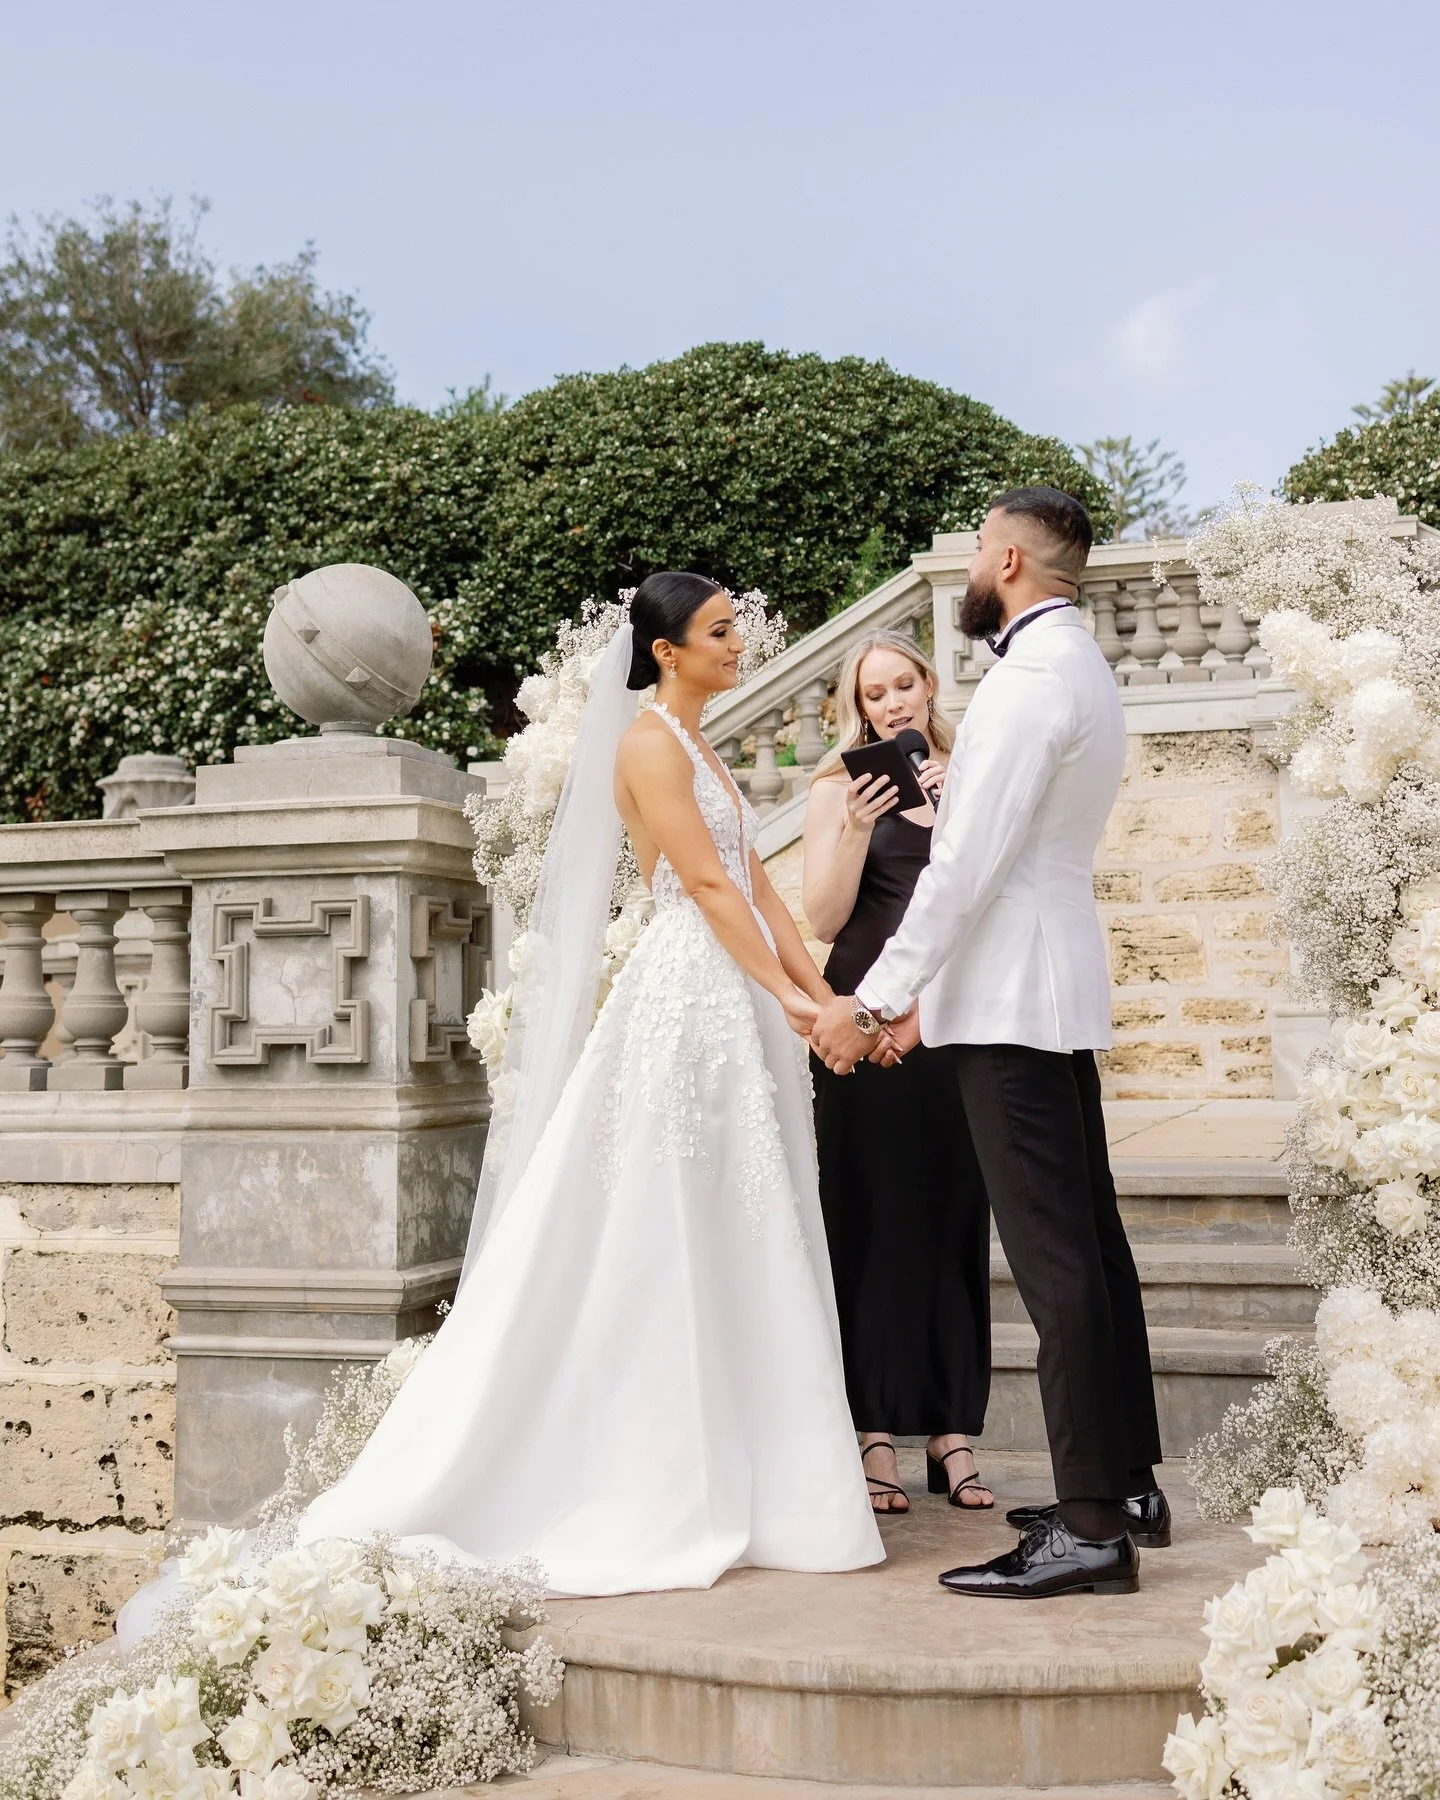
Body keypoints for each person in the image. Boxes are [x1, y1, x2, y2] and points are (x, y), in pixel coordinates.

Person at [297, 572, 883, 1595]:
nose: (738, 644)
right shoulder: (649, 743)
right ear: (665, 651)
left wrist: (818, 993)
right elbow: (701, 886)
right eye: (718, 631)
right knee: (676, 1214)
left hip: (732, 993)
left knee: (752, 1212)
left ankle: (772, 1478)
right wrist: (790, 1001)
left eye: (733, 629)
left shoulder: (701, 746)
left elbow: (755, 886)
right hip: (688, 991)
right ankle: (656, 1471)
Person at [811, 487, 1167, 1601]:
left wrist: (875, 1001)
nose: (971, 567)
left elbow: (964, 868)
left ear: (1008, 559)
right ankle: (1129, 1483)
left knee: (1056, 1259)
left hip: (1013, 1003)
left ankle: (1093, 1527)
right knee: (1093, 1243)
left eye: (977, 551)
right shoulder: (1083, 668)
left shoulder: (1022, 682)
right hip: (1052, 990)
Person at [802, 631, 992, 1515]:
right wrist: (855, 828)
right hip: (858, 1022)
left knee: (955, 1213)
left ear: (928, 683)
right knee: (866, 1218)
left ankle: (953, 1433)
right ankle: (872, 1431)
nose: (892, 704)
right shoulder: (839, 783)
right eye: (874, 694)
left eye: (903, 685)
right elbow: (824, 914)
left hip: (952, 1019)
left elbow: (989, 899)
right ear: (859, 705)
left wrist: (959, 813)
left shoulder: (975, 768)